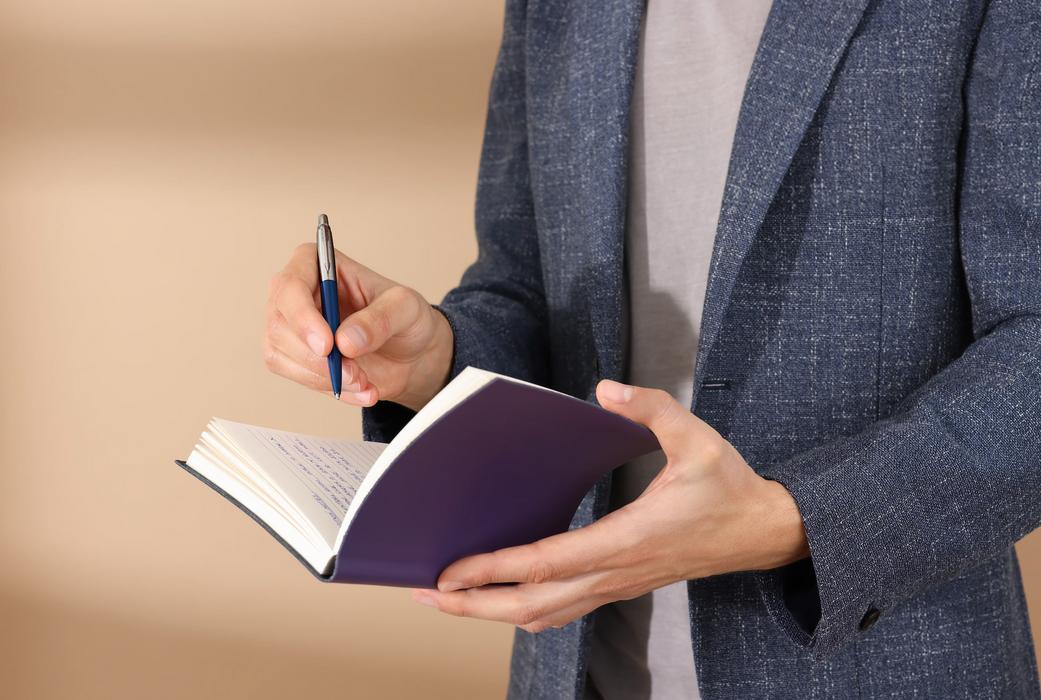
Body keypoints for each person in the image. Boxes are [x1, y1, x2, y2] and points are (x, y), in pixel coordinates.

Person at [263, 0, 1041, 697]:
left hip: (887, 668)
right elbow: (525, 288)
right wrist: (435, 358)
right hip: (577, 671)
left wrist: (790, 519)